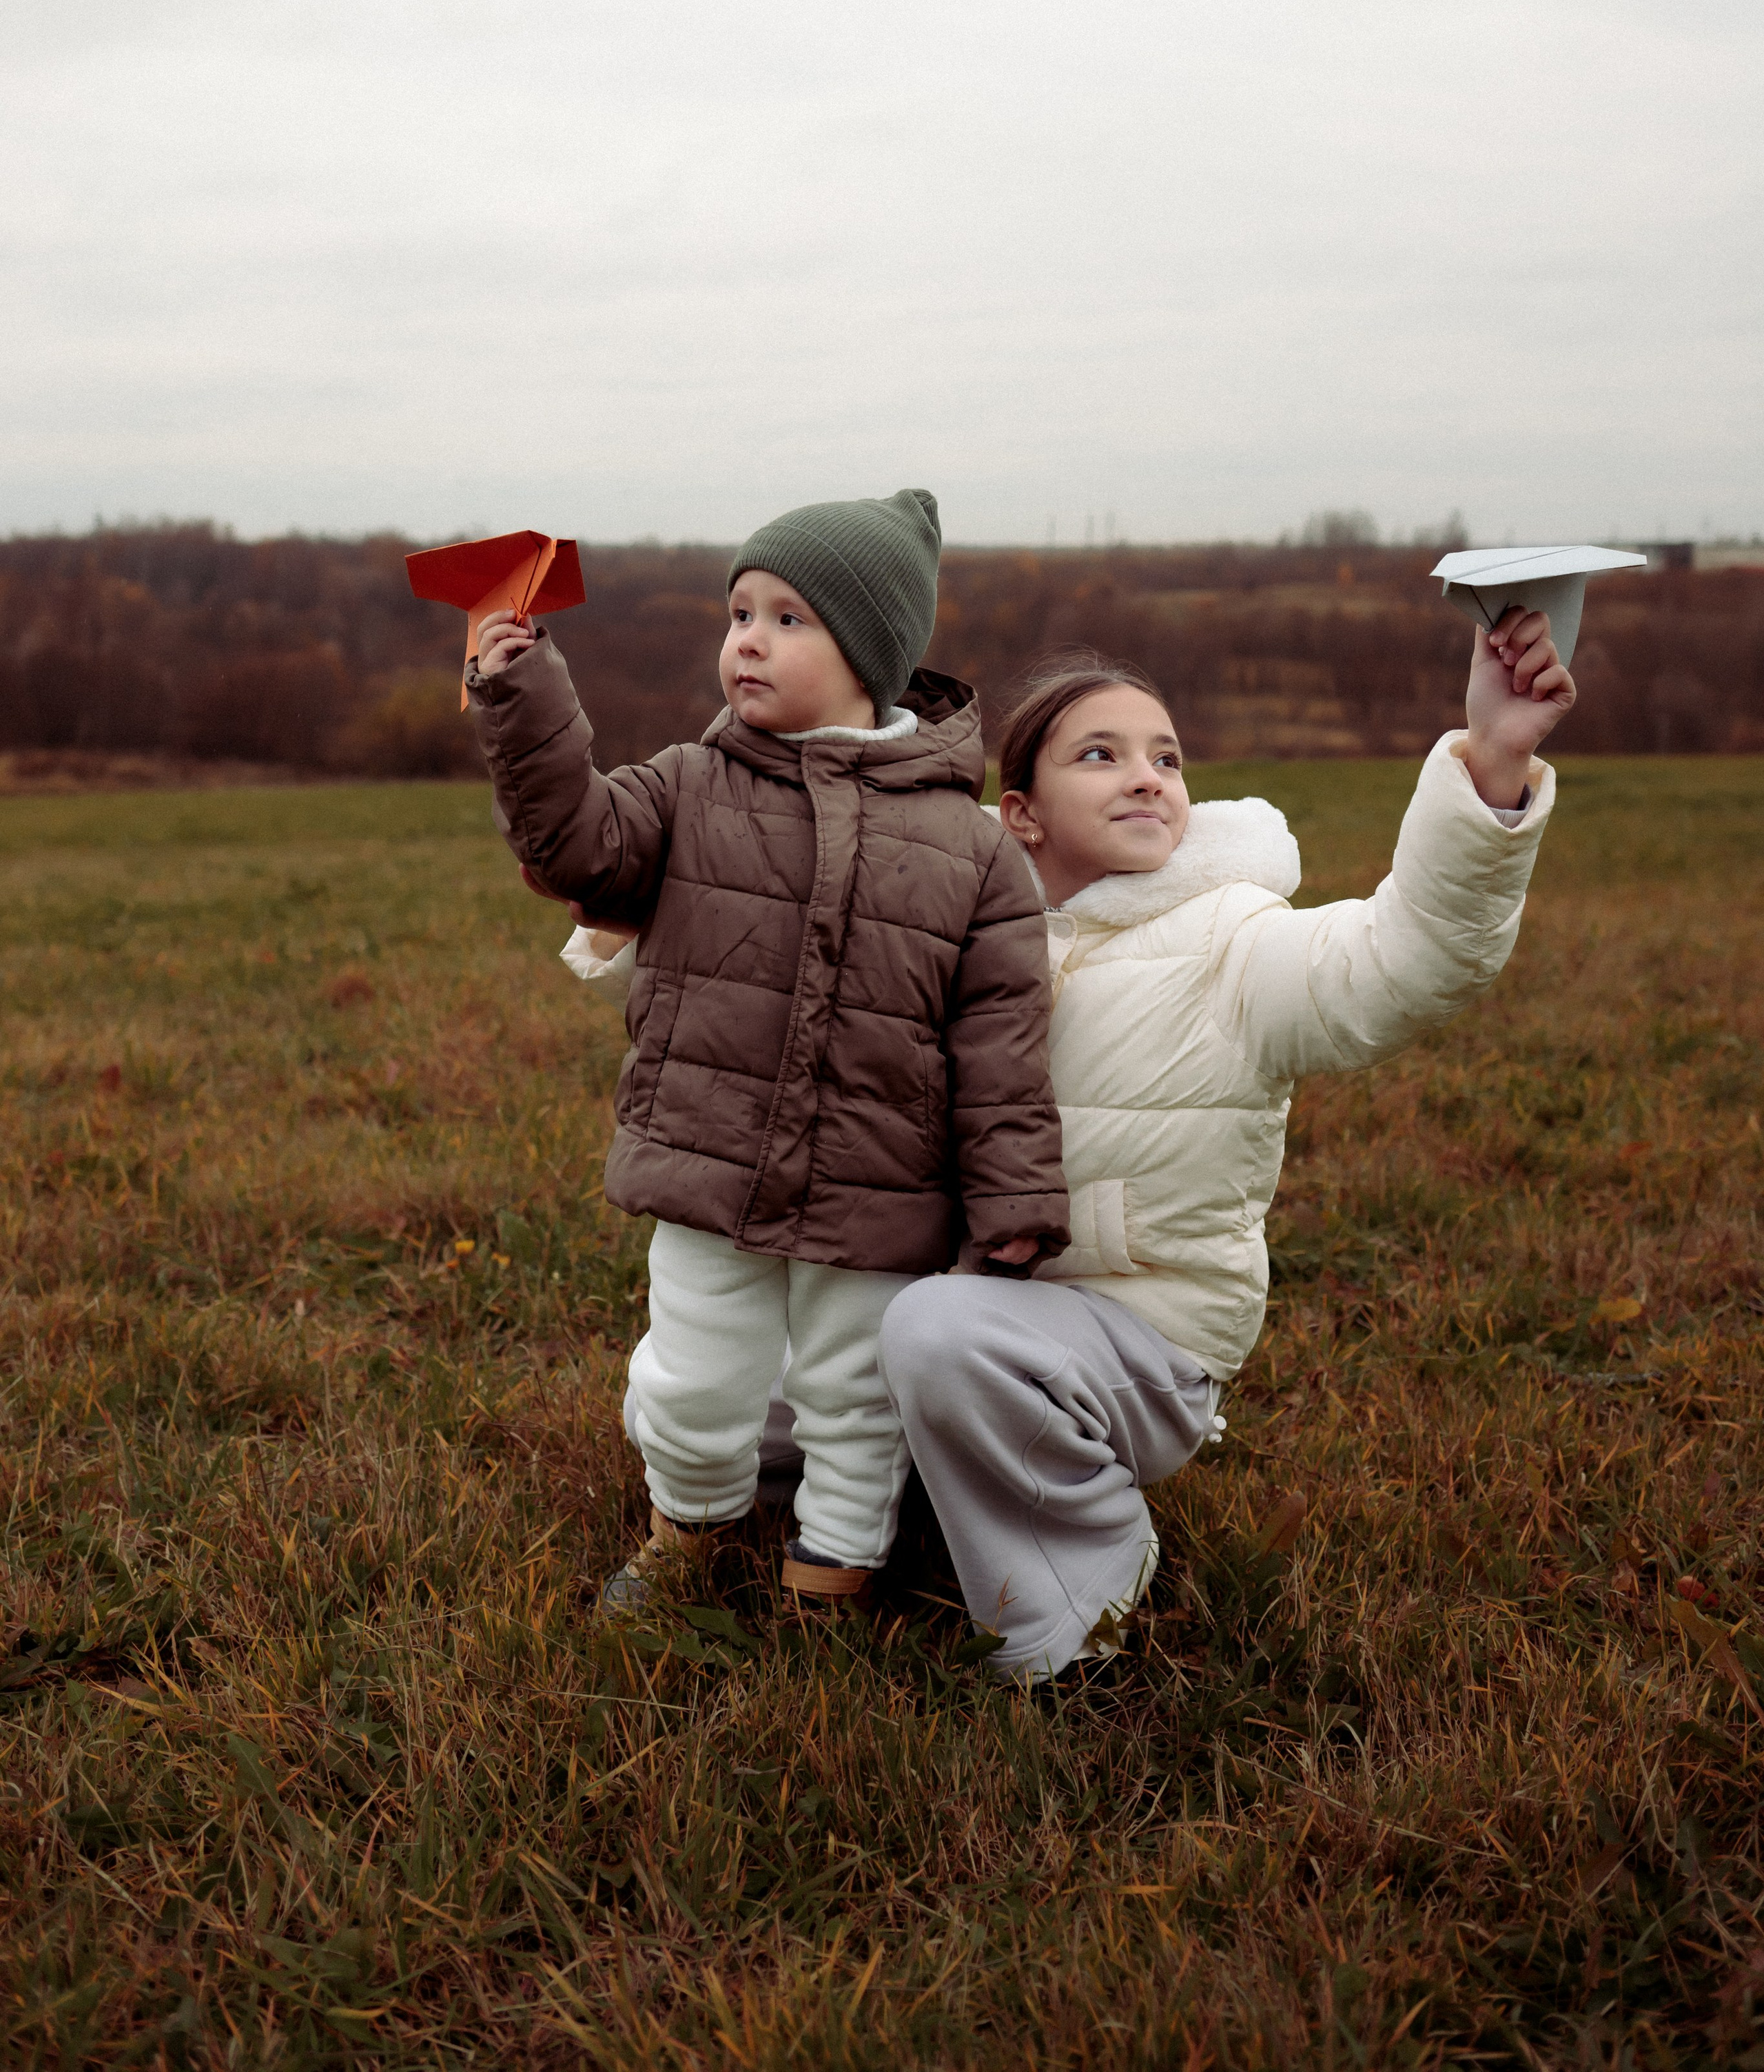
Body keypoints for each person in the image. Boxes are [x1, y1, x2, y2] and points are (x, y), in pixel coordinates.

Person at [874, 604, 1575, 1684]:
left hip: (1142, 1348)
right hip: (988, 1303)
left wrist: (1492, 760)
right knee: (779, 1373)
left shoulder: (1234, 944)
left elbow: (1412, 958)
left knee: (936, 1334)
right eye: (1100, 755)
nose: (1147, 776)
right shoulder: (965, 947)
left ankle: (1081, 1602)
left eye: (1167, 756)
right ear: (1019, 813)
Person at [467, 489, 1068, 1616]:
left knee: (855, 1393)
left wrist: (1016, 1195)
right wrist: (521, 692)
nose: (748, 638)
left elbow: (1002, 1042)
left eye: (790, 618)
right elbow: (575, 849)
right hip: (710, 1159)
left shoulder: (970, 847)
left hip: (882, 1186)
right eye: (739, 611)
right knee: (695, 1380)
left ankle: (832, 1571)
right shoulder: (689, 786)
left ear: (871, 653)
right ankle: (688, 1528)